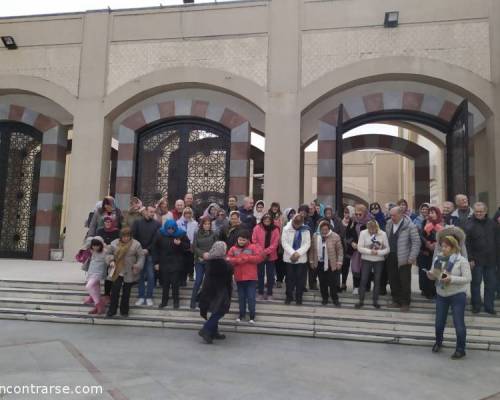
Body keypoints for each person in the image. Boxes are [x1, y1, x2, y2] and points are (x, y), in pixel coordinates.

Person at [427, 235, 471, 359]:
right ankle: (438, 342)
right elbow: (435, 274)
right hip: (441, 294)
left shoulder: (461, 260)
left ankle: (460, 349)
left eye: (446, 246)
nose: (443, 248)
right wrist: (430, 275)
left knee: (459, 323)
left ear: (453, 247)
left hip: (457, 295)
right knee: (439, 323)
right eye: (442, 246)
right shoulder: (438, 258)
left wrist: (451, 278)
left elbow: (468, 278)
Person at [385, 206, 420, 312]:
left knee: (404, 281)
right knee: (392, 279)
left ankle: (405, 302)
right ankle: (396, 300)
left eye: (394, 215)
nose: (392, 217)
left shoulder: (410, 226)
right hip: (390, 256)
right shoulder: (389, 224)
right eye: (390, 215)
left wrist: (412, 257)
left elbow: (416, 243)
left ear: (401, 214)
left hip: (404, 258)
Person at [198, 241, 234, 344]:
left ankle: (214, 332)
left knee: (215, 310)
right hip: (220, 291)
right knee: (219, 311)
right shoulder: (223, 264)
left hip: (209, 289)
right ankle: (206, 329)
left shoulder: (209, 261)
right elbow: (228, 275)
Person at [465, 202, 497, 315]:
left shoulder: (492, 223)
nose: (479, 213)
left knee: (490, 284)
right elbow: (466, 244)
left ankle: (489, 306)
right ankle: (476, 305)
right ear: (474, 211)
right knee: (475, 284)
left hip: (491, 260)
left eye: (481, 211)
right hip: (476, 260)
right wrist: (470, 259)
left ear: (485, 211)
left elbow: (497, 241)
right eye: (477, 211)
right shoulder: (469, 224)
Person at [105, 227, 144, 318]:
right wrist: (110, 260)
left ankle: (124, 311)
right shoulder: (114, 243)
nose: (126, 238)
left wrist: (138, 265)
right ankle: (112, 310)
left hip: (129, 271)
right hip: (117, 270)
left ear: (131, 236)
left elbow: (141, 256)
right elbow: (107, 253)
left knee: (127, 292)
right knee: (115, 291)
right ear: (120, 236)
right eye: (124, 236)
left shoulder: (136, 244)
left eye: (128, 236)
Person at [227, 230, 263, 323]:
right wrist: (237, 260)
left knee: (251, 297)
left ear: (247, 240)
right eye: (240, 240)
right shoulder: (233, 249)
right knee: (241, 297)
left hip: (251, 277)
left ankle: (252, 316)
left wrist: (247, 258)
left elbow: (259, 258)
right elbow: (228, 259)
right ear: (237, 239)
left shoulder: (253, 247)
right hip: (239, 277)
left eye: (243, 240)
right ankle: (241, 314)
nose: (241, 241)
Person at [153, 219, 190, 309]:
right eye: (168, 228)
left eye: (172, 228)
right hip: (164, 263)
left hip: (176, 263)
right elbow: (155, 249)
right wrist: (156, 262)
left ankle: (176, 302)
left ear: (175, 228)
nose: (170, 230)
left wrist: (180, 243)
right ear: (166, 228)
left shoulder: (181, 234)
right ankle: (164, 302)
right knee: (165, 284)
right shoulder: (160, 234)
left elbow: (188, 246)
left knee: (175, 284)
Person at [355, 220, 389, 309]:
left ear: (377, 228)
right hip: (366, 259)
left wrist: (378, 252)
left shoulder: (383, 234)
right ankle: (361, 301)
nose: (372, 232)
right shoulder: (363, 233)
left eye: (374, 230)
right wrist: (370, 251)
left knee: (377, 281)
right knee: (363, 280)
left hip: (379, 260)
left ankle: (375, 301)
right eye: (370, 230)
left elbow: (387, 249)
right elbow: (359, 247)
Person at [309, 220, 343, 306]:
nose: (324, 231)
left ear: (329, 228)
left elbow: (340, 251)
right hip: (320, 263)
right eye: (322, 229)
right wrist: (312, 261)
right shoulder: (315, 236)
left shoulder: (335, 236)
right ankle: (325, 298)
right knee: (322, 282)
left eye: (326, 229)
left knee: (332, 283)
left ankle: (335, 298)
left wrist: (339, 262)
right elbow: (312, 250)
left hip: (331, 263)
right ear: (319, 229)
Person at [132, 205, 161, 307]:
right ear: (145, 212)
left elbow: (156, 240)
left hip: (150, 254)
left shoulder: (157, 224)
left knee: (151, 276)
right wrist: (140, 250)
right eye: (150, 211)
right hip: (139, 254)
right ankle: (140, 296)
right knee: (140, 276)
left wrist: (147, 249)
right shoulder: (137, 223)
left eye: (153, 212)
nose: (152, 213)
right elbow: (133, 237)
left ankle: (149, 297)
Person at [281, 214, 311, 305]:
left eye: (299, 224)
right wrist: (293, 253)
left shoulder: (305, 229)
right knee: (289, 278)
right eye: (296, 224)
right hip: (289, 257)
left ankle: (299, 297)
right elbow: (284, 242)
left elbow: (307, 243)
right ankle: (289, 296)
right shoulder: (286, 229)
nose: (297, 226)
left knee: (300, 279)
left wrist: (298, 253)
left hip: (300, 258)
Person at [191, 217, 219, 309]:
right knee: (198, 281)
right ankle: (193, 301)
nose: (207, 226)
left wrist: (209, 255)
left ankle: (206, 302)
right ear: (202, 225)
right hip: (199, 260)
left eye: (209, 224)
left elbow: (216, 247)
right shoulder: (197, 233)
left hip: (210, 261)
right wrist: (203, 254)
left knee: (208, 282)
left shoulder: (214, 234)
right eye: (205, 224)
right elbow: (194, 247)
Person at [345, 204, 373, 295]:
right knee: (355, 268)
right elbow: (347, 234)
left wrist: (365, 245)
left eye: (360, 214)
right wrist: (352, 242)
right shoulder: (353, 221)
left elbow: (374, 236)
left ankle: (365, 287)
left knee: (366, 268)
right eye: (356, 214)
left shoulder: (371, 222)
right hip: (355, 250)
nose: (357, 216)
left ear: (364, 213)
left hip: (366, 250)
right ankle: (356, 286)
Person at [252, 213, 280, 300]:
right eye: (265, 220)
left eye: (268, 220)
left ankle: (269, 293)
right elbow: (254, 240)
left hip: (271, 255)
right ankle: (260, 292)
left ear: (271, 221)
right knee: (260, 274)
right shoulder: (257, 227)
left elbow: (275, 243)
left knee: (270, 275)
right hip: (259, 255)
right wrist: (261, 251)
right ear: (262, 220)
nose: (267, 221)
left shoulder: (275, 229)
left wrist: (266, 251)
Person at [418, 206, 444, 299]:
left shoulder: (442, 223)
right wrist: (427, 243)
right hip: (425, 251)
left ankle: (435, 291)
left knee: (436, 272)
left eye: (433, 212)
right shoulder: (425, 222)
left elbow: (444, 237)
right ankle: (426, 291)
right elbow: (421, 235)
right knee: (426, 272)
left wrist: (436, 244)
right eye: (430, 213)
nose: (430, 214)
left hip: (438, 252)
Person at [84, 236, 108, 315]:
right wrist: (94, 239)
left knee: (89, 286)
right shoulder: (92, 250)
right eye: (93, 245)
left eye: (97, 245)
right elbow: (87, 242)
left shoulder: (105, 251)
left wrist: (103, 243)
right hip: (91, 272)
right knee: (96, 290)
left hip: (99, 273)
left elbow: (110, 257)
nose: (95, 247)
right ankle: (97, 307)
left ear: (101, 245)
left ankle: (99, 305)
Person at [177, 207, 198, 286]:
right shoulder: (179, 222)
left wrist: (193, 245)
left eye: (189, 213)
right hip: (181, 245)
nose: (188, 215)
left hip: (191, 245)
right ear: (184, 214)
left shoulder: (195, 223)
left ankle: (191, 275)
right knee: (182, 262)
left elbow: (195, 235)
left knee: (190, 261)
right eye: (186, 213)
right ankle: (182, 278)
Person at [340, 206, 352, 292]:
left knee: (346, 266)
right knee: (341, 265)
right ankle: (339, 283)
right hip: (341, 247)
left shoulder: (352, 223)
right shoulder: (341, 222)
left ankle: (344, 283)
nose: (346, 214)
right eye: (345, 212)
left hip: (349, 248)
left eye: (348, 213)